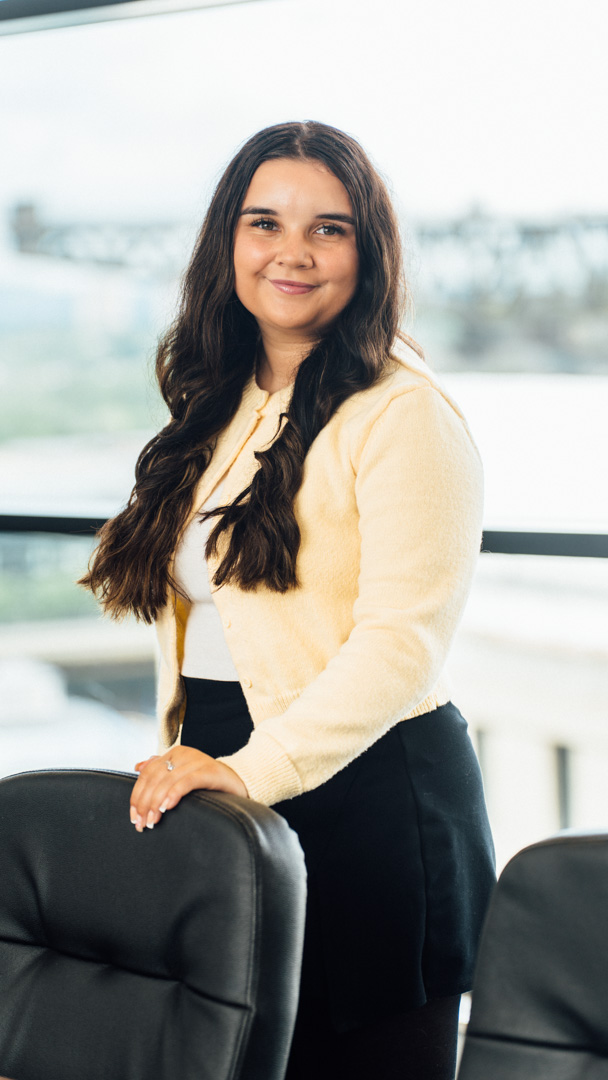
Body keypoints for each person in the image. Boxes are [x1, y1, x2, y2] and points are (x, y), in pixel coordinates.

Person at [80, 120, 495, 1080]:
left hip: (372, 798)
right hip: (239, 780)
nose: (292, 253)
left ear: (371, 251)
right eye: (265, 222)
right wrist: (214, 765)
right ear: (229, 238)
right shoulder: (219, 401)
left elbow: (403, 647)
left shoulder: (403, 413)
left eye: (330, 229)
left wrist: (248, 770)